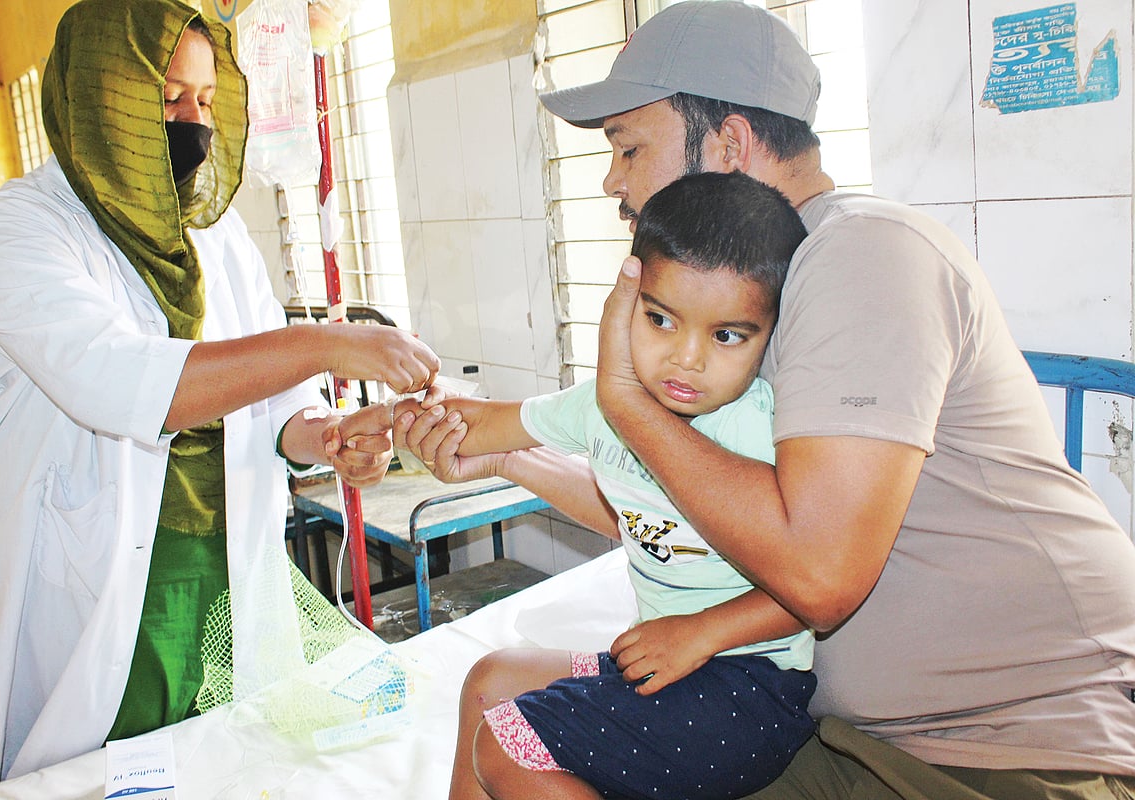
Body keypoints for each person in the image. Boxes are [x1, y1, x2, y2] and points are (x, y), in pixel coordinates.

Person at [395, 2, 1135, 797]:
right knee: (495, 692)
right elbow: (676, 514)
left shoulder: (860, 253)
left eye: (629, 149)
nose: (613, 181)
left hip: (1001, 749)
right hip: (845, 729)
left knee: (520, 750)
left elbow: (816, 575)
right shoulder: (745, 303)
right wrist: (508, 454)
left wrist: (625, 400)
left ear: (729, 145)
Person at [0, 0, 439, 791]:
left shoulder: (214, 234)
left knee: (232, 768)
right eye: (167, 98)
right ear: (97, 96)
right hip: (96, 583)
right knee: (93, 773)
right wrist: (327, 339)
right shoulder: (15, 230)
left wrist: (323, 433)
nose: (193, 123)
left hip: (223, 573)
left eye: (207, 103)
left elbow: (273, 406)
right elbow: (123, 383)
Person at [379, 171, 814, 799]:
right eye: (661, 320)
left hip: (746, 687)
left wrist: (699, 632)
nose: (686, 359)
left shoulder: (760, 426)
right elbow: (487, 424)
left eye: (725, 335)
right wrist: (387, 421)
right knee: (490, 679)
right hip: (665, 668)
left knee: (507, 745)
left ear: (769, 333)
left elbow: (815, 587)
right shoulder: (605, 403)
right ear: (626, 302)